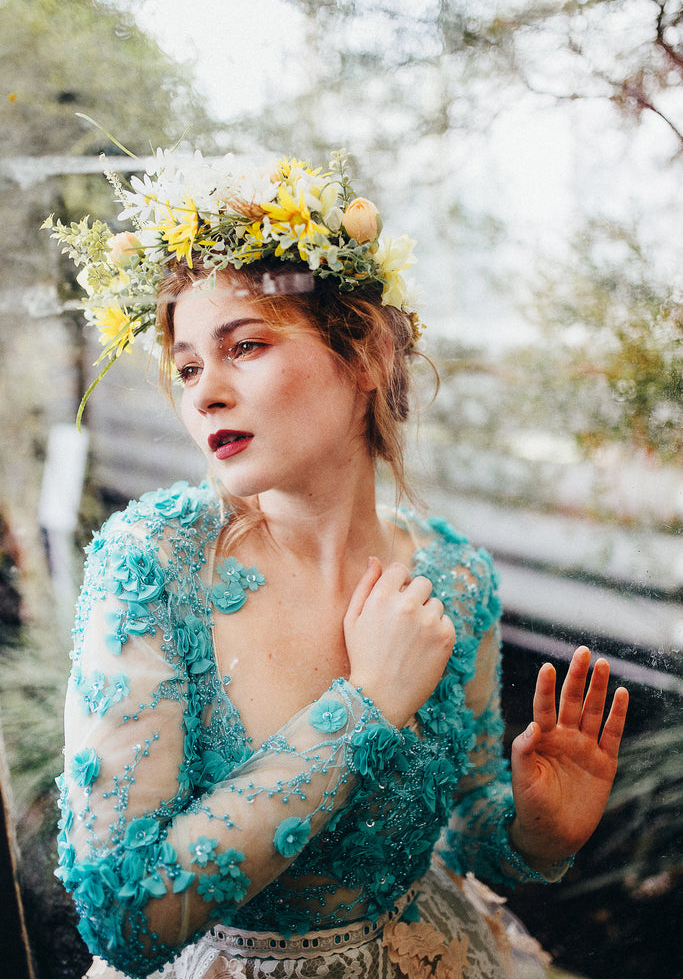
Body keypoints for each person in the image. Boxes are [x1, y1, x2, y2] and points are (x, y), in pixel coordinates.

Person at [47, 148, 629, 979]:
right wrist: (365, 707)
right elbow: (121, 918)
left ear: (365, 357)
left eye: (243, 346)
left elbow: (460, 822)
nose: (203, 392)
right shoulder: (155, 565)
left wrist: (534, 832)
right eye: (185, 367)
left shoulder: (454, 576)